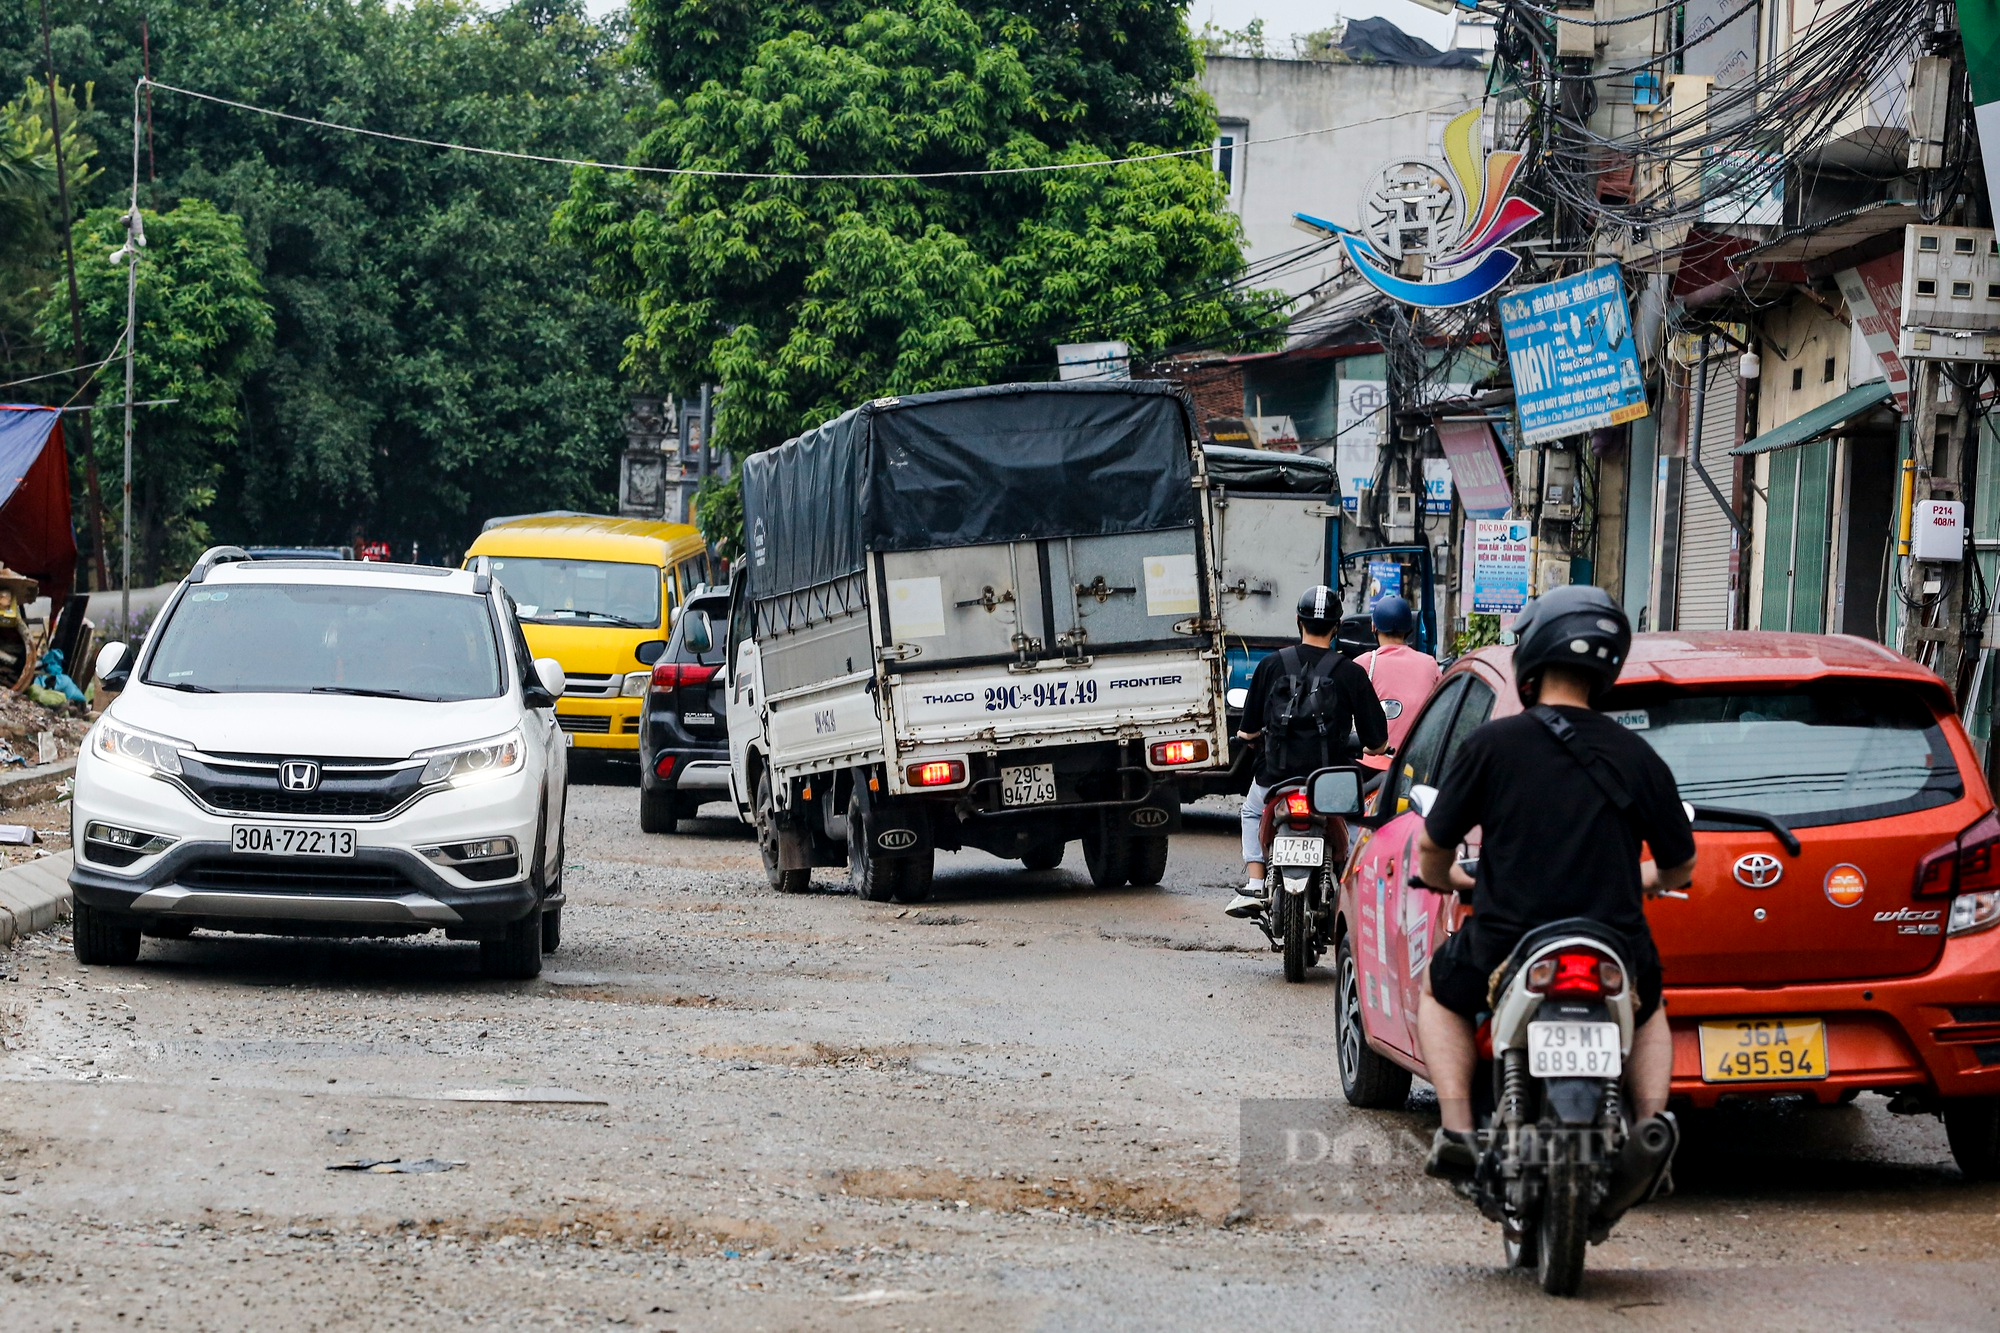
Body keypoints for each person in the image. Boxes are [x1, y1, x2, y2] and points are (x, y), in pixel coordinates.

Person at [1412, 584, 1696, 1177]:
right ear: (1609, 666)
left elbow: (1432, 845)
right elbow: (1680, 865)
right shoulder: (1638, 756)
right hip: (1612, 940)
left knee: (1441, 994)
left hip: (1507, 938)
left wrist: (1446, 880)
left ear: (1532, 655)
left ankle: (1460, 1129)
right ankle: (1649, 1132)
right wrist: (1641, 880)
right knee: (1647, 1011)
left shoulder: (1493, 744)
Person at [1226, 585, 1390, 919]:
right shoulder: (1352, 673)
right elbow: (1377, 743)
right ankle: (1352, 889)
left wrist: (1254, 736)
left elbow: (1247, 730)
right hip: (1331, 781)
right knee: (1358, 821)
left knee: (1251, 811)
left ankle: (1257, 884)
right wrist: (1375, 746)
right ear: (1337, 626)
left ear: (1298, 622)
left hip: (1276, 775)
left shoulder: (1272, 665)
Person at [1355, 596, 1440, 758]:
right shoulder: (1429, 664)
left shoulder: (1362, 664)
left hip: (1371, 765)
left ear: (1373, 626)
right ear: (1410, 629)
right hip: (1417, 762)